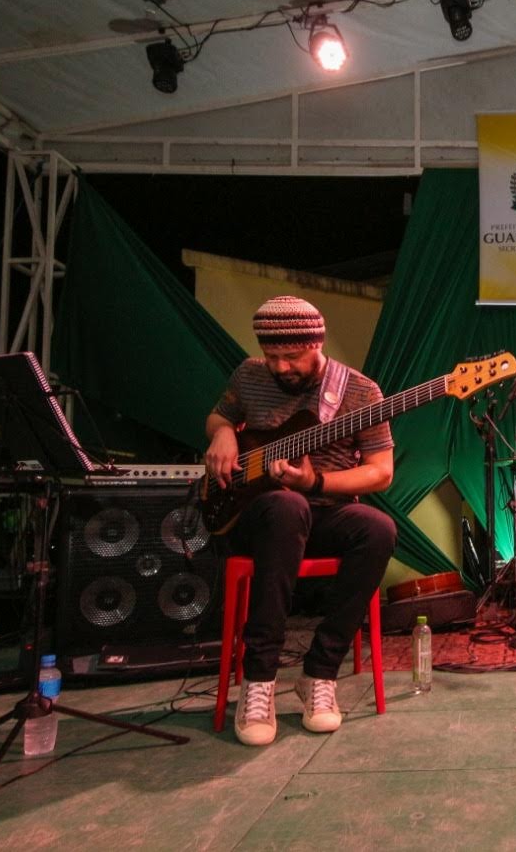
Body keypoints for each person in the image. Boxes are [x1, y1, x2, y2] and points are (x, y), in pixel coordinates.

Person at [205, 295, 396, 747]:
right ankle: (259, 680)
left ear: (317, 344)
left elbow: (381, 472)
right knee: (287, 507)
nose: (281, 367)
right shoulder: (249, 375)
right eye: (272, 356)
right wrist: (224, 432)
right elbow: (218, 415)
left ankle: (319, 674)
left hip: (326, 510)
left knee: (378, 529)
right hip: (258, 517)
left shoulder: (360, 392)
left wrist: (316, 482)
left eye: (292, 357)